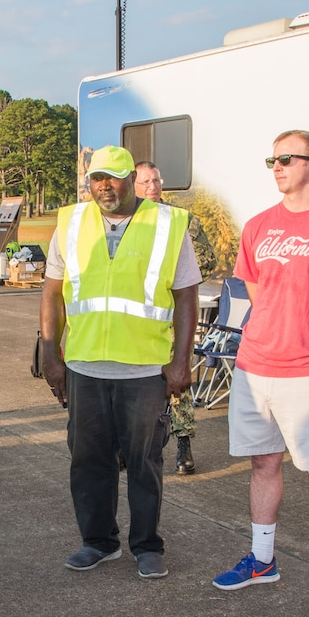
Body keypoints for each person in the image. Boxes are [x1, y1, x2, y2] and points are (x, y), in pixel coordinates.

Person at [210, 131, 309, 614]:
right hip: (254, 368)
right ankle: (262, 559)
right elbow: (251, 293)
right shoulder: (258, 227)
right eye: (272, 159)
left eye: (286, 158)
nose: (276, 166)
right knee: (262, 463)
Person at [39, 145, 200, 580]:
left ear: (132, 178)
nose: (104, 186)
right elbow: (52, 293)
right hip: (85, 367)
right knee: (87, 460)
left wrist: (180, 362)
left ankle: (147, 545)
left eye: (113, 177)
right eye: (96, 178)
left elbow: (187, 296)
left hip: (145, 369)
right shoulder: (70, 223)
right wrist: (50, 355)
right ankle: (98, 542)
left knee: (144, 461)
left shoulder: (167, 224)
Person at [135, 161, 198, 475]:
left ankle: (184, 448)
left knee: (177, 386)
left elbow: (206, 260)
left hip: (173, 317)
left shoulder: (179, 220)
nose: (153, 187)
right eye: (146, 181)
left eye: (157, 180)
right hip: (135, 324)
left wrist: (180, 277)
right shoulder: (124, 223)